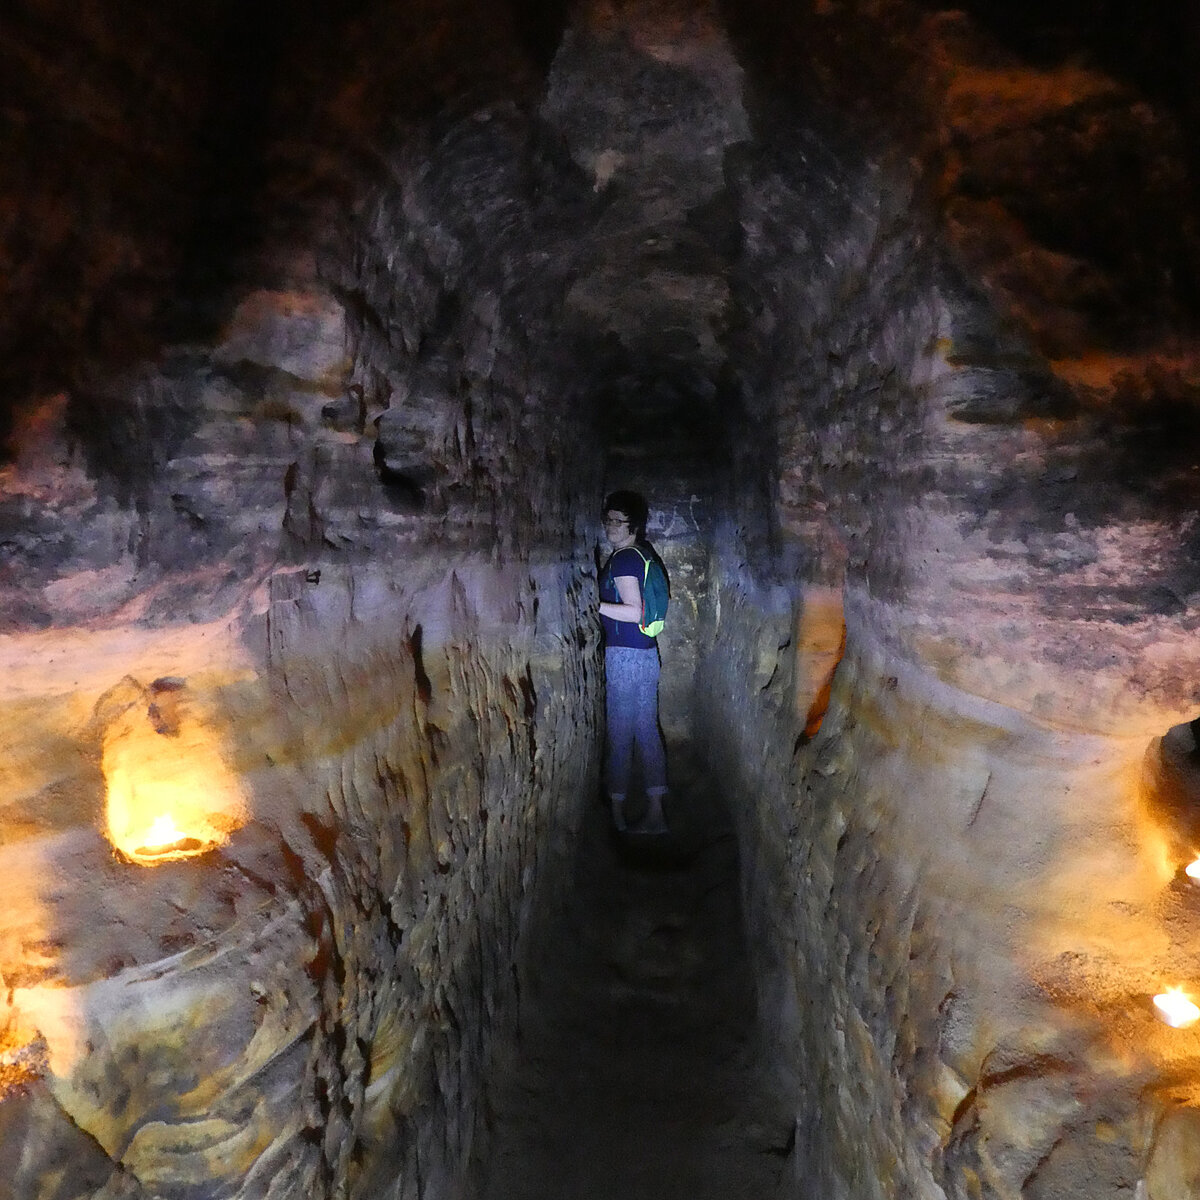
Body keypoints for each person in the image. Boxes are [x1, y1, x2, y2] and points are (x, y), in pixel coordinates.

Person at [597, 490, 669, 834]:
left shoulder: (625, 558)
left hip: (624, 656)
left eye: (618, 521)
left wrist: (592, 604)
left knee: (620, 733)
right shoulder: (644, 554)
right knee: (646, 730)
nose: (610, 526)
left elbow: (634, 611)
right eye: (607, 519)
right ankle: (656, 813)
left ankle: (616, 811)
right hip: (646, 654)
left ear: (634, 525)